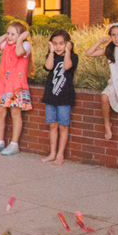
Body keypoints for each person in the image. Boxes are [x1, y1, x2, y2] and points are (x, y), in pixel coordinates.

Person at [0, 21, 32, 156]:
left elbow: (19, 53)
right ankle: (0, 141)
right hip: (2, 84)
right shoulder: (6, 44)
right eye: (8, 33)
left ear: (21, 35)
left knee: (15, 114)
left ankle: (14, 144)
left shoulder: (25, 45)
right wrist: (5, 36)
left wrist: (21, 39)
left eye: (13, 34)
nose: (10, 36)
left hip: (16, 86)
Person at [40, 29, 77, 166]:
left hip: (64, 97)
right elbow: (49, 67)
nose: (58, 46)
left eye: (61, 43)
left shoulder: (73, 57)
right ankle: (52, 153)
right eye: (55, 43)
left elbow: (67, 66)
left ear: (68, 44)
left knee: (63, 126)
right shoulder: (51, 56)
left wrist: (68, 51)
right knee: (53, 125)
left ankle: (60, 155)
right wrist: (51, 51)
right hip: (51, 96)